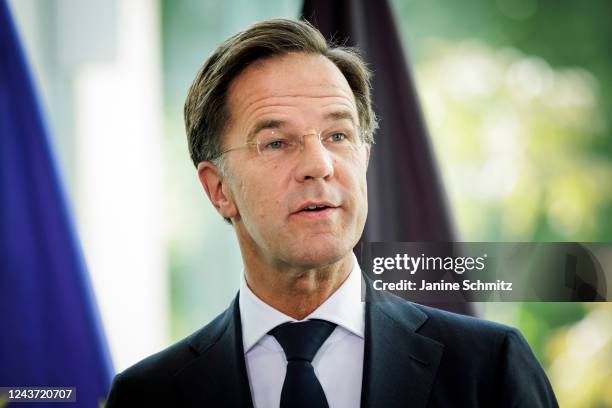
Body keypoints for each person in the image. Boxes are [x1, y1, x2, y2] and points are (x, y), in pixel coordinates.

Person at [106, 18, 558, 408]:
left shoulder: (489, 368)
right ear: (218, 189)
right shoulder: (147, 396)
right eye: (277, 143)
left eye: (338, 135)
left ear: (363, 157)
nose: (319, 165)